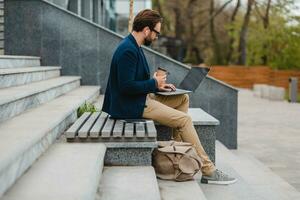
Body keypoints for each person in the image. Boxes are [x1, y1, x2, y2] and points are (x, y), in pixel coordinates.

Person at [102, 9, 237, 185]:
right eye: (156, 32)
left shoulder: (134, 46)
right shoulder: (128, 50)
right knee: (184, 120)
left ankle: (177, 152)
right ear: (146, 30)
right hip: (130, 105)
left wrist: (159, 85)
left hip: (140, 99)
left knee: (182, 98)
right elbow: (126, 87)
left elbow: (134, 81)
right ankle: (208, 170)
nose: (157, 36)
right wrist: (153, 83)